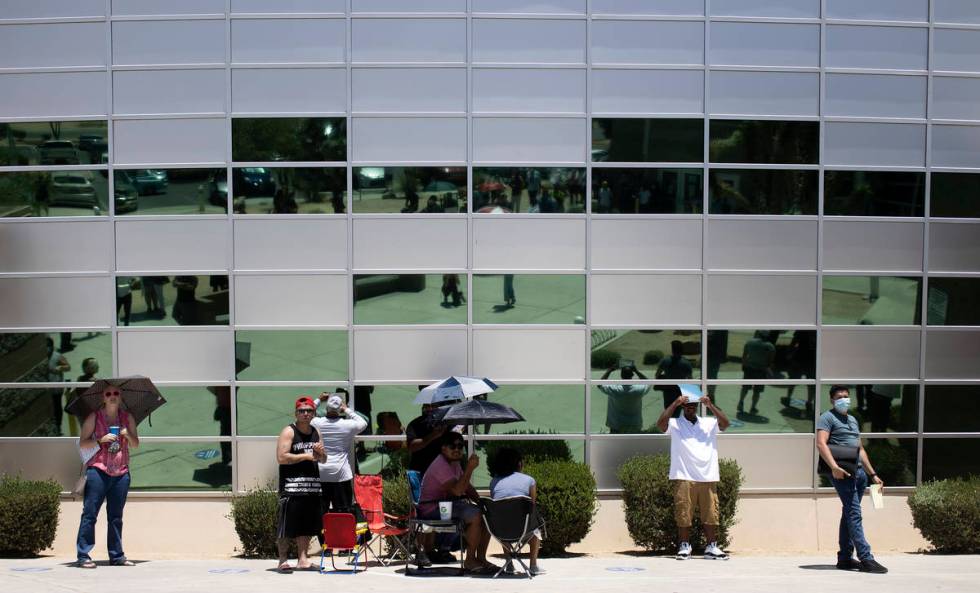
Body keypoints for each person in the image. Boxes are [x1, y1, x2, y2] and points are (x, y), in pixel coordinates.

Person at [816, 385, 888, 574]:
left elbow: (860, 449)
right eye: (839, 397)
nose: (844, 400)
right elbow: (820, 443)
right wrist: (834, 467)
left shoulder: (854, 420)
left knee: (848, 513)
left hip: (859, 474)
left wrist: (873, 474)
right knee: (854, 513)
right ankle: (866, 558)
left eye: (846, 396)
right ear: (832, 400)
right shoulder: (827, 417)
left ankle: (845, 558)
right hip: (843, 474)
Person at [656, 390, 730, 560]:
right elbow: (660, 424)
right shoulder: (675, 424)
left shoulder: (709, 423)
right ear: (683, 407)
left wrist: (710, 405)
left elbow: (725, 423)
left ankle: (711, 547)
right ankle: (684, 546)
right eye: (687, 405)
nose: (690, 408)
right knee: (684, 513)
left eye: (693, 405)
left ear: (697, 406)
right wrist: (674, 403)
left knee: (711, 513)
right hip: (684, 475)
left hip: (708, 475)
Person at [75, 385, 140, 568]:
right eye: (108, 394)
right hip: (98, 471)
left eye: (116, 393)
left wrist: (128, 434)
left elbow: (135, 444)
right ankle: (83, 555)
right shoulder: (94, 417)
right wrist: (99, 440)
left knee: (116, 517)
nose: (112, 396)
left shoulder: (127, 418)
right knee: (90, 514)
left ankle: (117, 556)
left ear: (121, 397)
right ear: (103, 398)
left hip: (121, 473)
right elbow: (82, 444)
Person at [418, 432, 496, 574]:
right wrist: (470, 468)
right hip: (432, 508)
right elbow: (457, 490)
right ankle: (470, 560)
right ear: (443, 448)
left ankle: (481, 558)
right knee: (475, 516)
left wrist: (480, 501)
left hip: (445, 506)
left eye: (460, 446)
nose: (457, 449)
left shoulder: (454, 463)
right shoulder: (440, 465)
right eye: (452, 446)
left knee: (484, 512)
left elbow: (466, 486)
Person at [275, 397, 327, 573]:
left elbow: (323, 458)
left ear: (314, 413)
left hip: (311, 487)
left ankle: (303, 560)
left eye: (309, 411)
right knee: (286, 526)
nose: (305, 414)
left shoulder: (316, 432)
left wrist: (320, 454)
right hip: (291, 488)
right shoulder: (289, 431)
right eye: (302, 411)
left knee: (305, 526)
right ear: (295, 413)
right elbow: (282, 457)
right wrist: (305, 456)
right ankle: (283, 560)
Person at [488, 447, 545, 575]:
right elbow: (532, 505)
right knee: (536, 526)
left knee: (502, 518)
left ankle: (509, 563)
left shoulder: (494, 482)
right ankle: (533, 566)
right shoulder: (529, 480)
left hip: (500, 530)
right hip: (523, 529)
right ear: (519, 463)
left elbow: (497, 506)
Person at [311, 394, 367, 516]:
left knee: (321, 512)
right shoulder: (347, 425)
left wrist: (319, 400)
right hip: (341, 475)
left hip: (321, 473)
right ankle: (340, 535)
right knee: (343, 513)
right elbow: (363, 422)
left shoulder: (317, 422)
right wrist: (347, 409)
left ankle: (323, 535)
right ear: (339, 409)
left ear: (326, 409)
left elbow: (307, 414)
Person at [597, 363, 650, 433]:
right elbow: (648, 382)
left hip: (616, 425)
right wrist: (637, 371)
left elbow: (599, 385)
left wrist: (609, 370)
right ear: (632, 375)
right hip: (635, 424)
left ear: (621, 375)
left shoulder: (615, 389)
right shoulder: (639, 389)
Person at [406, 401, 447, 473]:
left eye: (434, 406)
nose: (430, 409)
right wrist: (433, 435)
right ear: (423, 408)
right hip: (420, 470)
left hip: (443, 470)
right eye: (427, 406)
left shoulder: (445, 423)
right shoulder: (415, 424)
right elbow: (411, 446)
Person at [739, 331, 774, 415]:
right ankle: (753, 407)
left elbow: (744, 356)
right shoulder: (770, 346)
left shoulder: (749, 343)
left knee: (745, 388)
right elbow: (770, 361)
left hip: (749, 368)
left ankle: (741, 402)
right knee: (757, 391)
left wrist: (744, 365)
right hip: (761, 371)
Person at [656, 340, 694, 415]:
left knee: (668, 411)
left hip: (668, 390)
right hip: (679, 391)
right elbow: (690, 379)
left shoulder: (665, 361)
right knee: (677, 412)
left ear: (672, 350)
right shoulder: (686, 363)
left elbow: (657, 374)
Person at [46, 337, 70, 436]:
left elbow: (68, 367)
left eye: (48, 346)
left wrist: (60, 368)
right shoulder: (41, 357)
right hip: (46, 389)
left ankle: (58, 427)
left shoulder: (57, 356)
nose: (47, 349)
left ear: (52, 346)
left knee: (57, 407)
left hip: (56, 388)